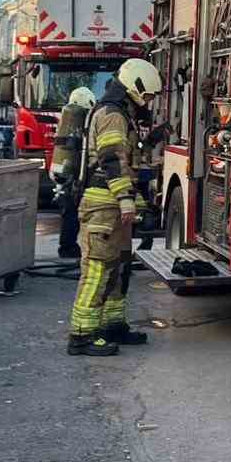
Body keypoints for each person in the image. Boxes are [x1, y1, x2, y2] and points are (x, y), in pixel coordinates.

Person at [68, 58, 162, 357]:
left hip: (113, 206)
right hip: (103, 206)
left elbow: (128, 163)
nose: (148, 102)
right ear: (134, 87)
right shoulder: (112, 115)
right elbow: (111, 159)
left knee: (118, 268)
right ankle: (81, 335)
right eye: (147, 95)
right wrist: (124, 198)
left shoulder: (122, 113)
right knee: (97, 269)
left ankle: (112, 325)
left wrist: (140, 202)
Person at [50, 86, 96, 260]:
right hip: (73, 173)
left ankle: (68, 245)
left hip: (64, 170)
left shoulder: (69, 117)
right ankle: (67, 247)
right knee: (71, 211)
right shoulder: (77, 117)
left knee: (69, 211)